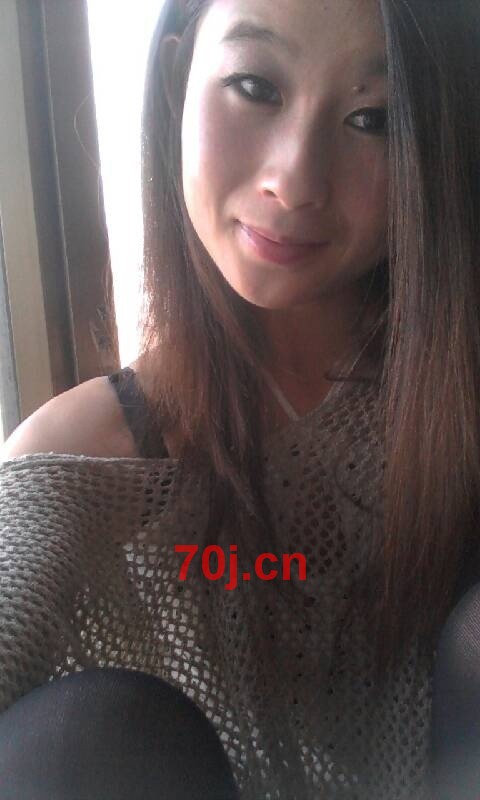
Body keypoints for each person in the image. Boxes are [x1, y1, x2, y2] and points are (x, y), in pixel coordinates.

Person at [0, 0, 479, 797]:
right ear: (177, 74)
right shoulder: (93, 458)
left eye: (373, 119)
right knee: (81, 738)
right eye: (255, 87)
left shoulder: (454, 398)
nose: (294, 182)